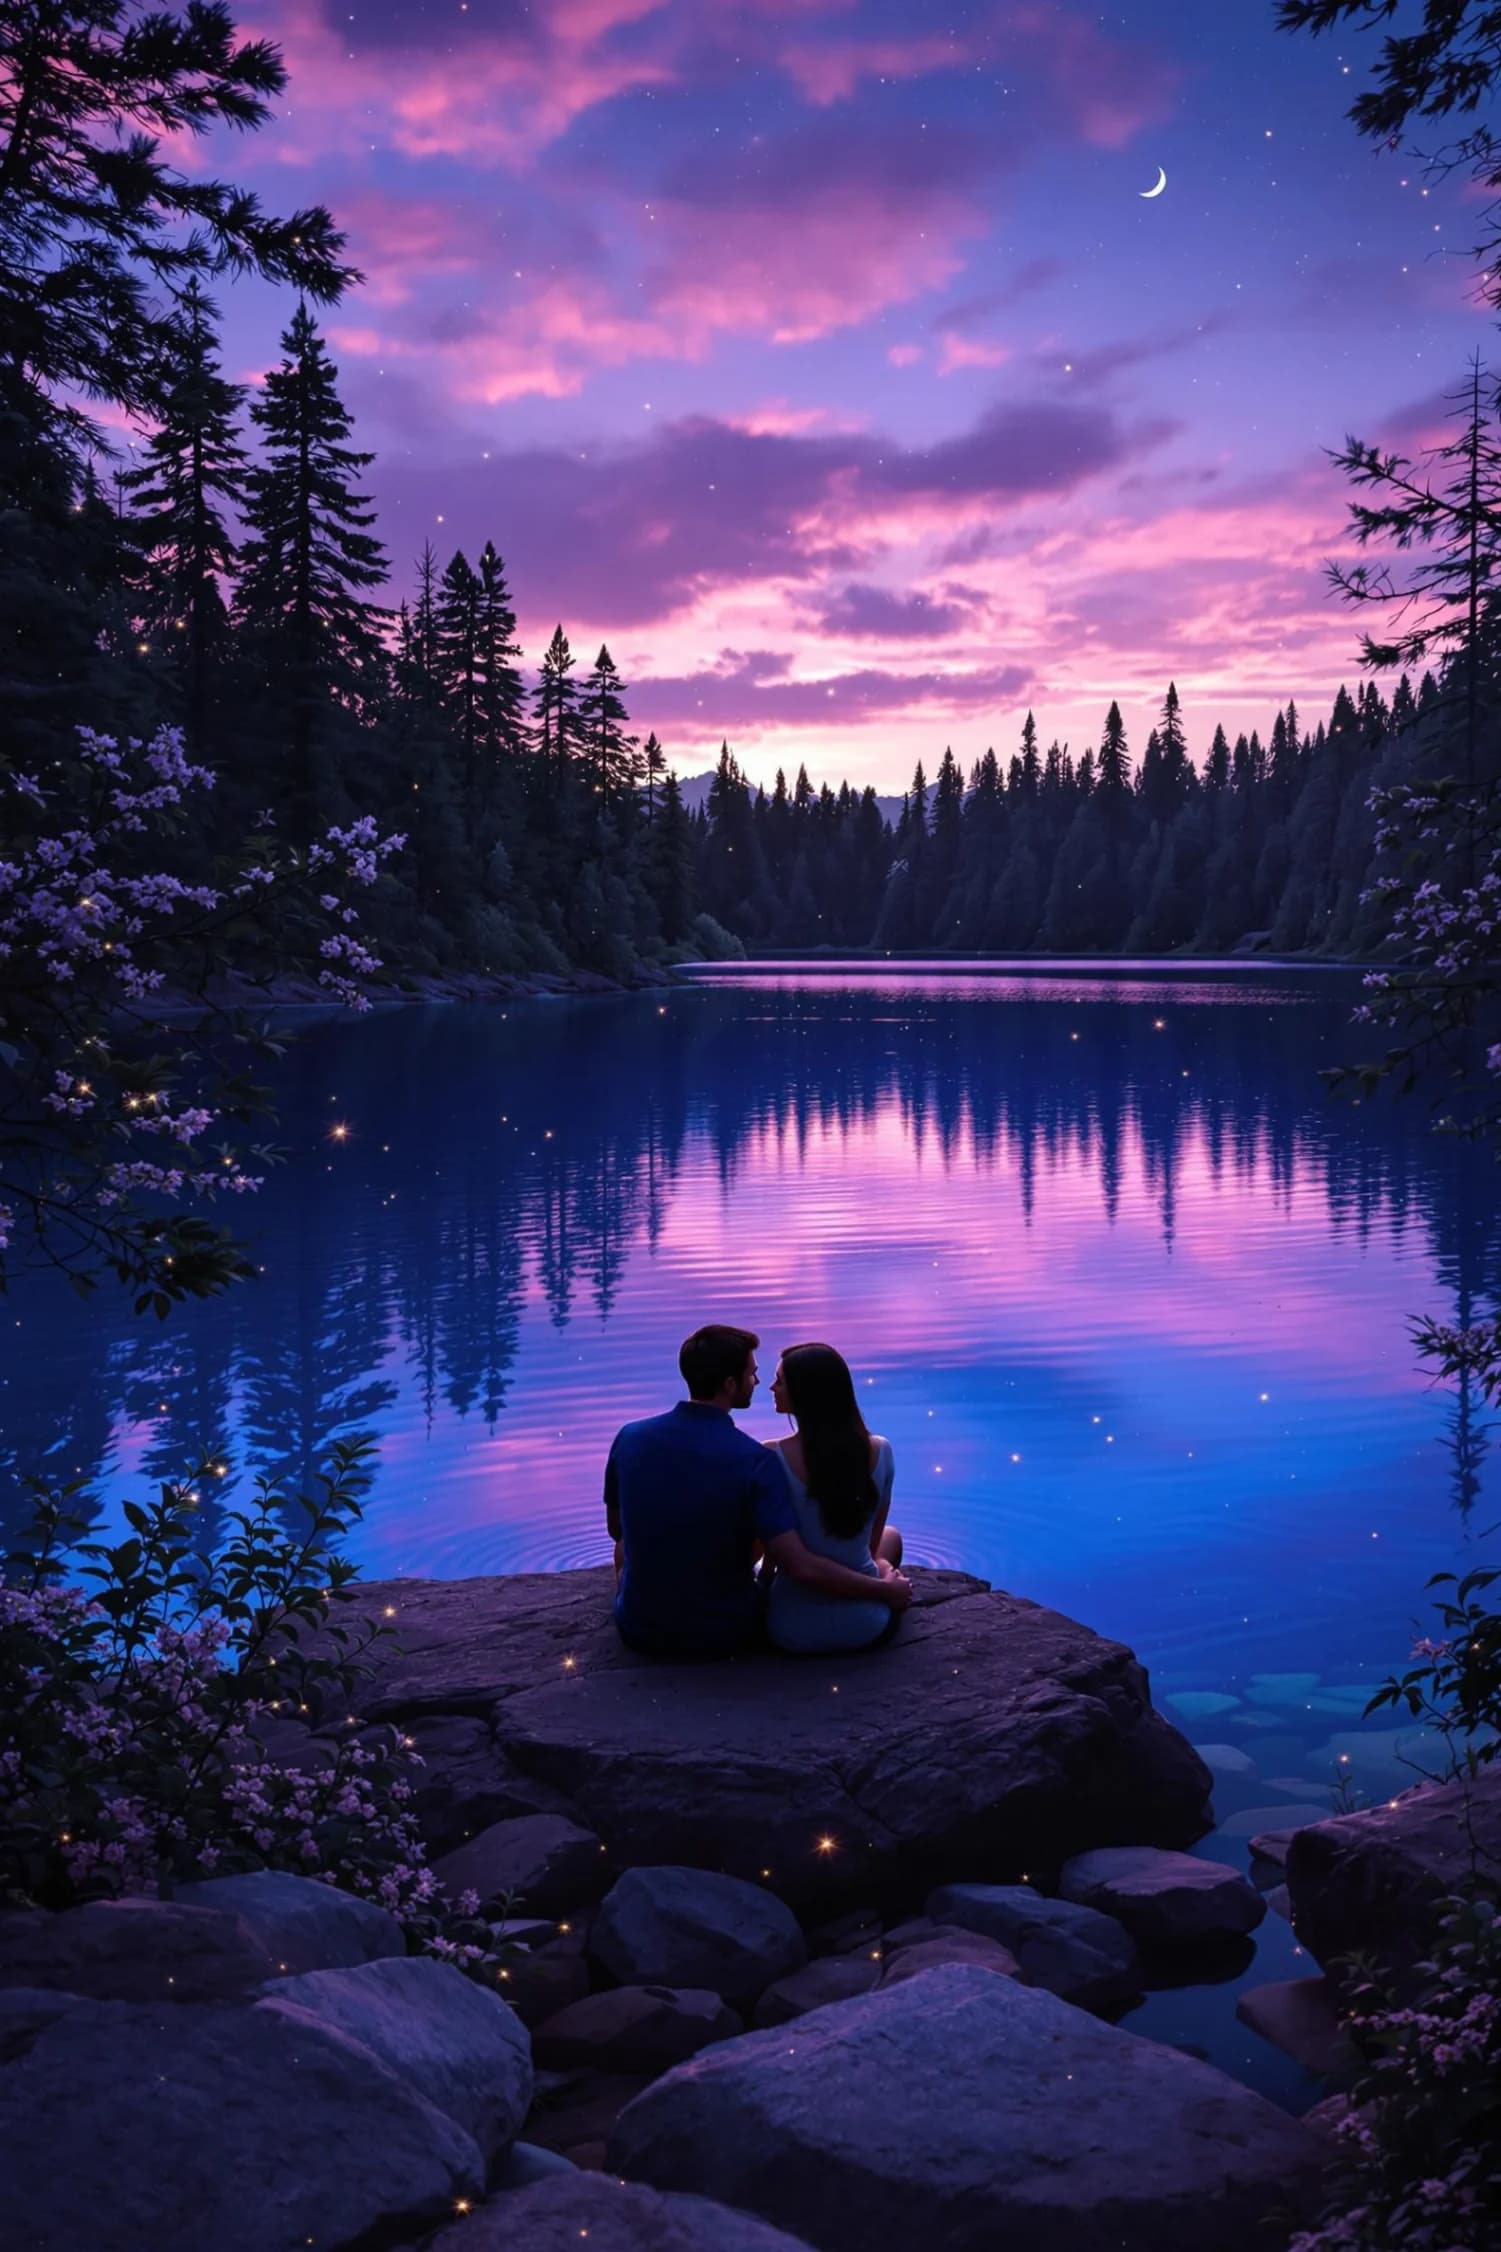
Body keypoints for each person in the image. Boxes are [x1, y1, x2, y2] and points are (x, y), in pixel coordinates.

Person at [605, 1324, 912, 1659]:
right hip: (728, 1632)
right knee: (888, 1541)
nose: (762, 1383)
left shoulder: (630, 1436)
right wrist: (884, 1588)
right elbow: (799, 1562)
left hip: (640, 1631)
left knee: (624, 1550)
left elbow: (617, 1530)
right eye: (753, 1374)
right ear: (730, 1384)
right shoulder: (754, 1459)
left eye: (774, 1379)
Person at [763, 1342, 904, 1655]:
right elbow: (868, 1544)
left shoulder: (770, 1457)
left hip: (790, 1630)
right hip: (867, 1626)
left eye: (780, 1381)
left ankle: (881, 1569)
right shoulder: (880, 1450)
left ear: (804, 1391)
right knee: (889, 1540)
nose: (772, 1388)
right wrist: (883, 1579)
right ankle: (883, 1570)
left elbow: (773, 1555)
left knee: (887, 1541)